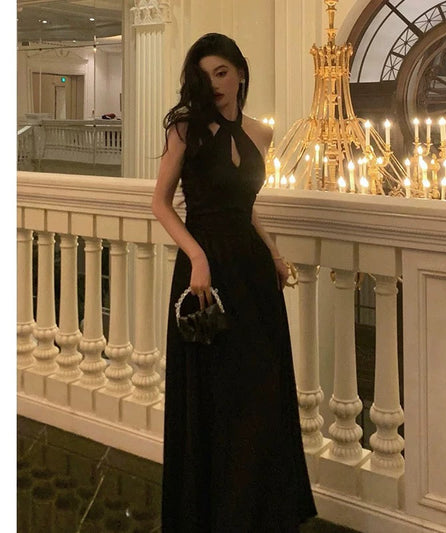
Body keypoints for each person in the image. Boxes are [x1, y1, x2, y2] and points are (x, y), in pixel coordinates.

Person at [152, 32, 317, 532]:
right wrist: (197, 257)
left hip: (252, 272)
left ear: (240, 73)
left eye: (222, 72)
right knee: (217, 396)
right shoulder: (185, 128)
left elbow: (245, 207)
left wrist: (274, 253)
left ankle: (259, 512)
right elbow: (160, 203)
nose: (215, 84)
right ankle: (213, 515)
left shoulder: (260, 132)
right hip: (207, 273)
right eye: (204, 76)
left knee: (262, 390)